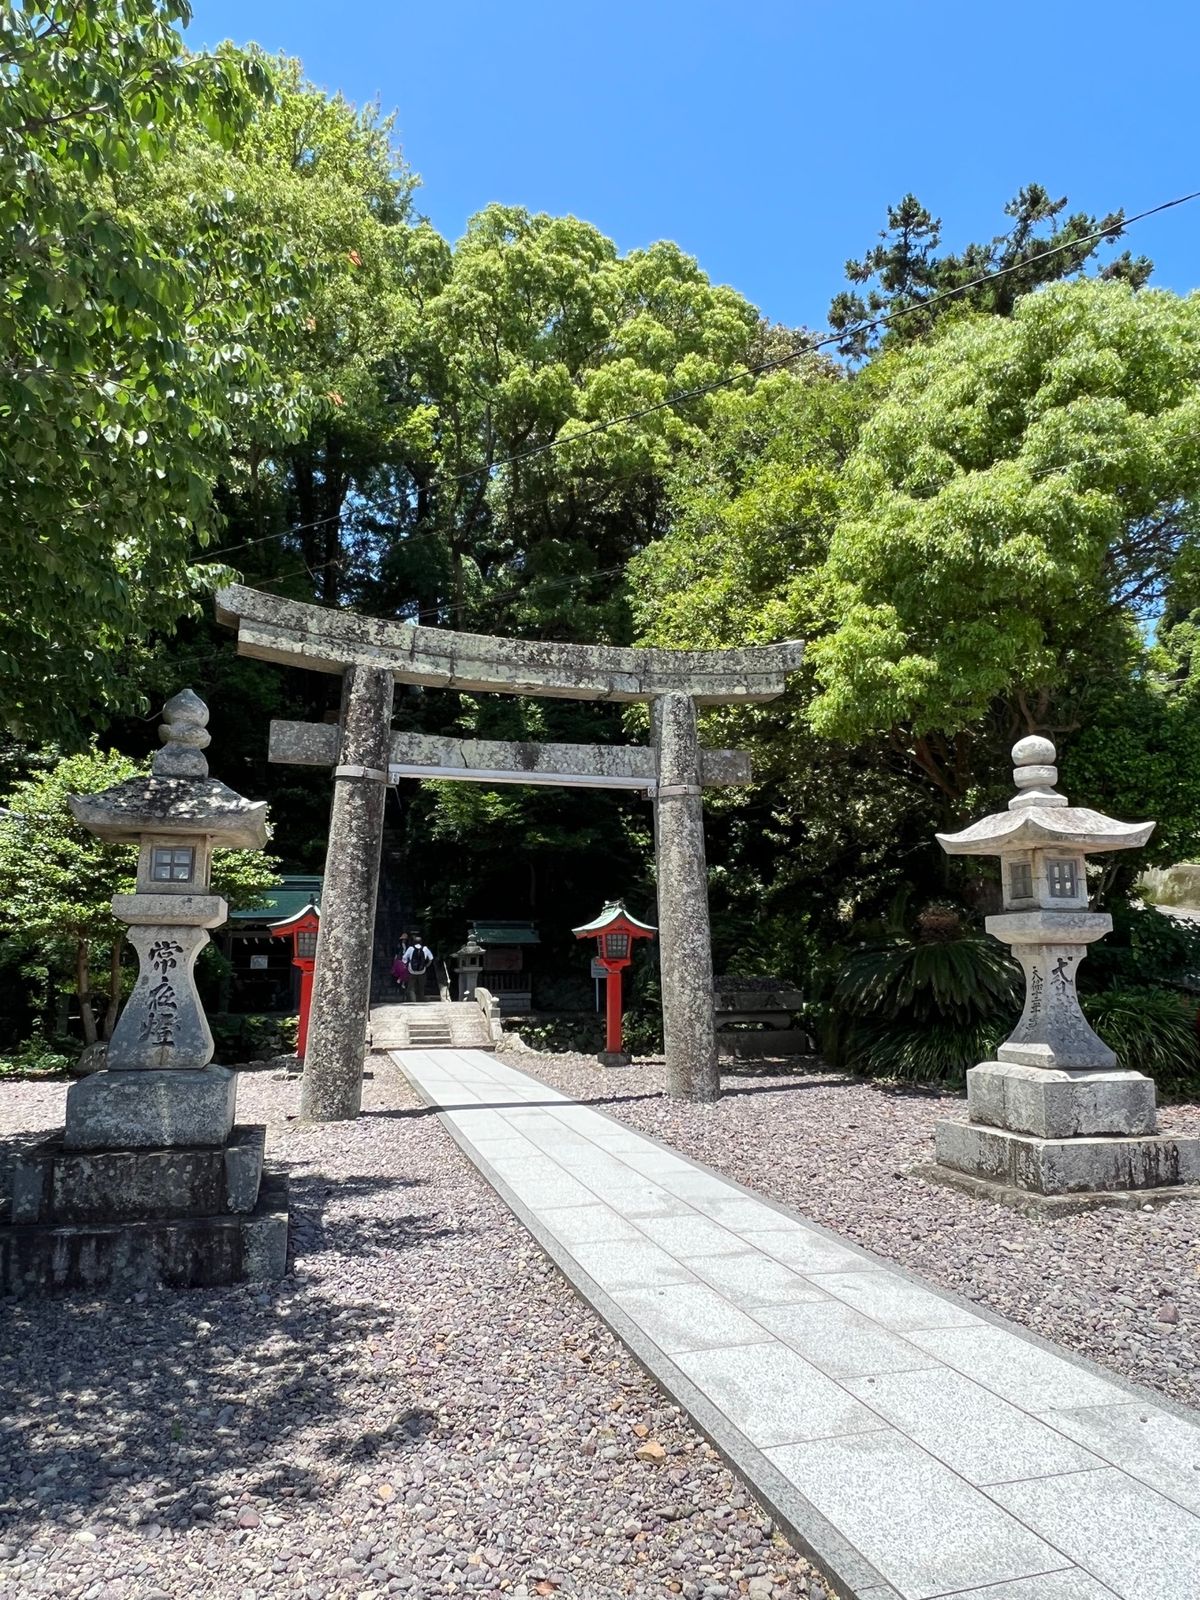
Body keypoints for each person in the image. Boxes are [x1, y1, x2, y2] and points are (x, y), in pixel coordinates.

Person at [404, 934, 434, 1001]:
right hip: (422, 971)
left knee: (411, 987)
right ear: (421, 942)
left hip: (412, 971)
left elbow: (404, 958)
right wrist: (427, 965)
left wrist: (407, 964)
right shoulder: (425, 948)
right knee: (421, 987)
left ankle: (413, 1000)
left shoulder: (410, 948)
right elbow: (431, 958)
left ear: (414, 942)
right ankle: (421, 999)